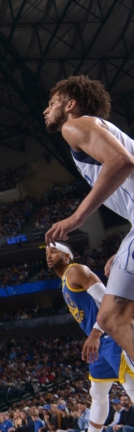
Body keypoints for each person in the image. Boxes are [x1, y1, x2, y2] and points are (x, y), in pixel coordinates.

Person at [43, 75, 134, 364]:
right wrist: (122, 252)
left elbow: (121, 162)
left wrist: (76, 218)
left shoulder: (76, 125)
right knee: (111, 317)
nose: (46, 110)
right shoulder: (99, 130)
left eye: (52, 103)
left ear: (71, 105)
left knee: (113, 318)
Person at [48, 241, 134, 432]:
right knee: (98, 392)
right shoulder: (64, 282)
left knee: (131, 386)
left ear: (67, 256)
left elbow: (108, 301)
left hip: (111, 334)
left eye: (54, 251)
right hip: (99, 342)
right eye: (47, 252)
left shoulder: (76, 270)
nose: (49, 255)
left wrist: (96, 333)